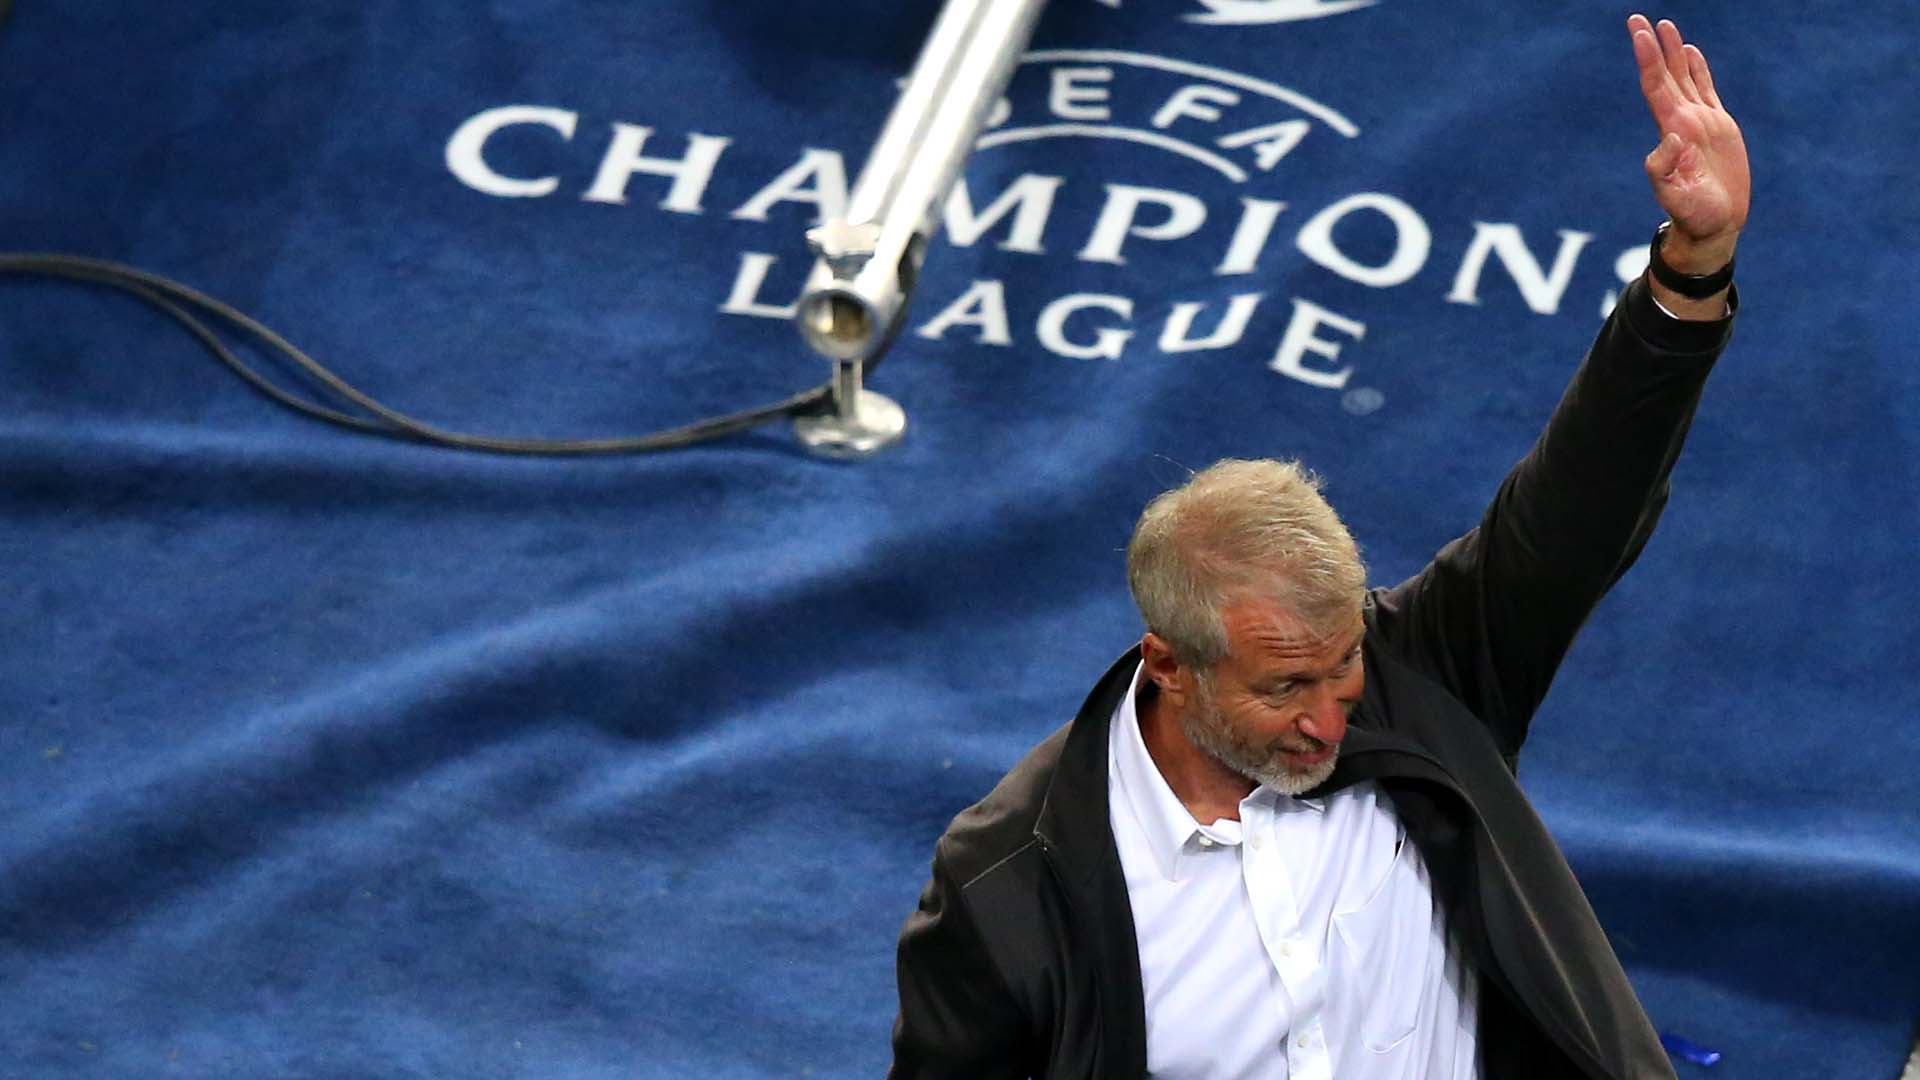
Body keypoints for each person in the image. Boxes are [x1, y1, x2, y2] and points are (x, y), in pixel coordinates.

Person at [889, 14, 1747, 1080]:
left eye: (1343, 662)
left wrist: (1690, 270)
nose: (1333, 713)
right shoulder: (1008, 886)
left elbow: (1577, 507)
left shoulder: (1418, 676)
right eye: (1288, 685)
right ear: (1171, 664)